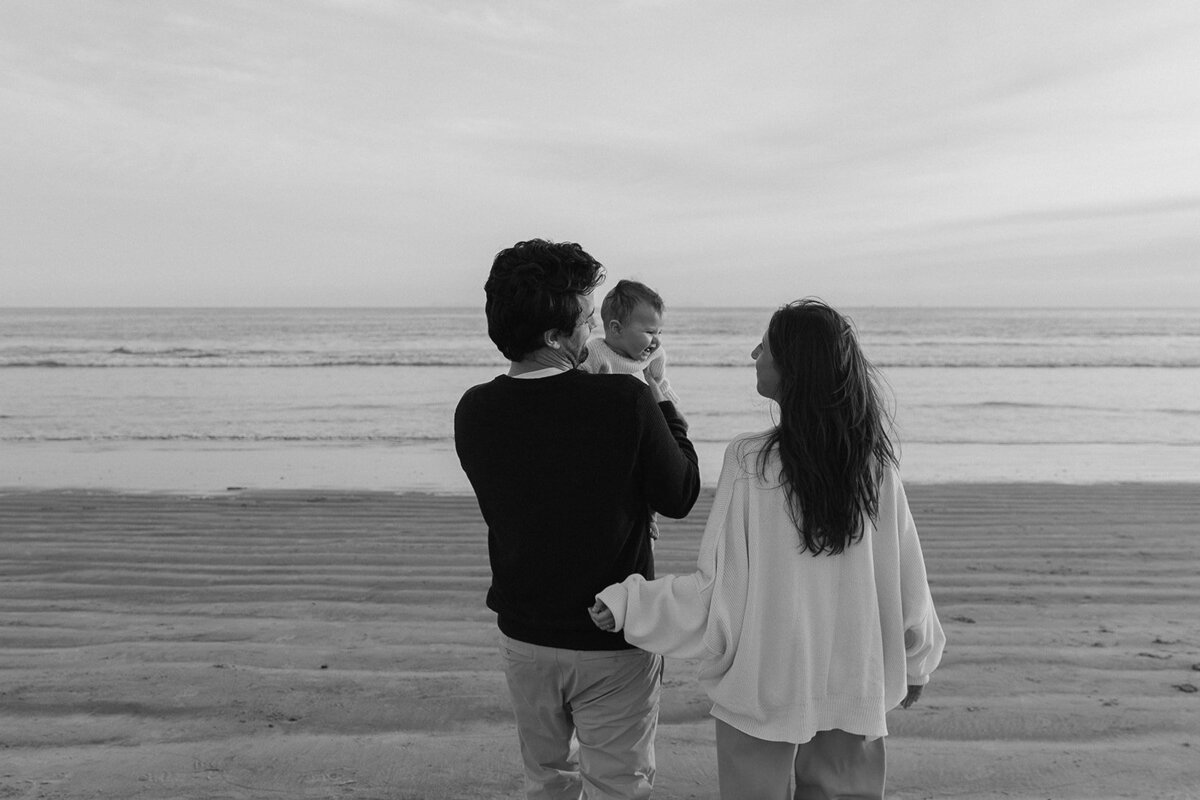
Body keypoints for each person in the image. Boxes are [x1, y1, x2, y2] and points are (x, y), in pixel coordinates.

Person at [589, 298, 946, 800]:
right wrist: (917, 662)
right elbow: (911, 582)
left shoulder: (751, 461)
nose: (754, 352)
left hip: (764, 687)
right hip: (853, 682)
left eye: (767, 347)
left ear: (793, 368)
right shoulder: (874, 464)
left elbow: (719, 597)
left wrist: (631, 603)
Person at [455, 239, 702, 800]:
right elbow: (681, 491)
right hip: (612, 635)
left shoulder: (474, 410)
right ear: (555, 335)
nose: (593, 324)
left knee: (547, 782)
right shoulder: (623, 400)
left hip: (525, 636)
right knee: (620, 786)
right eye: (586, 316)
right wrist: (659, 392)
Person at [579, 279, 680, 545]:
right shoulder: (596, 353)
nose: (656, 341)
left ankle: (651, 516)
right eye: (649, 332)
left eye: (659, 332)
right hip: (613, 436)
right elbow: (576, 385)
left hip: (646, 430)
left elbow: (659, 384)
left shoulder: (655, 355)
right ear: (616, 329)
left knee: (651, 471)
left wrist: (672, 416)